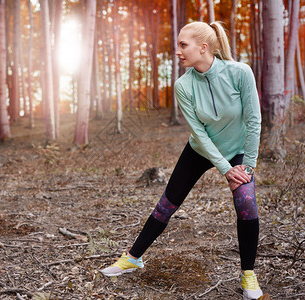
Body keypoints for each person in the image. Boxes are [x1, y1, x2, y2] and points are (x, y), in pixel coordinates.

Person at [100, 21, 263, 300]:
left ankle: (248, 274)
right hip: (200, 150)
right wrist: (225, 168)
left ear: (203, 47)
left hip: (238, 151)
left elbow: (253, 119)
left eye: (183, 45)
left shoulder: (240, 73)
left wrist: (246, 166)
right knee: (167, 204)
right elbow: (198, 133)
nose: (177, 51)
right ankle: (133, 257)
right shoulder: (183, 85)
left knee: (246, 204)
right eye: (177, 45)